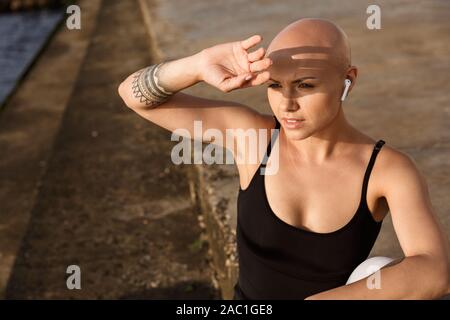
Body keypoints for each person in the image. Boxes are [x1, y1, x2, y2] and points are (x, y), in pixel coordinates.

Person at [118, 18, 449, 299]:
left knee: (377, 270)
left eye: (304, 85)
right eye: (275, 85)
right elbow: (134, 96)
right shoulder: (254, 139)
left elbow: (433, 270)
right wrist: (197, 64)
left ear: (348, 81)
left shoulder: (385, 170)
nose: (287, 103)